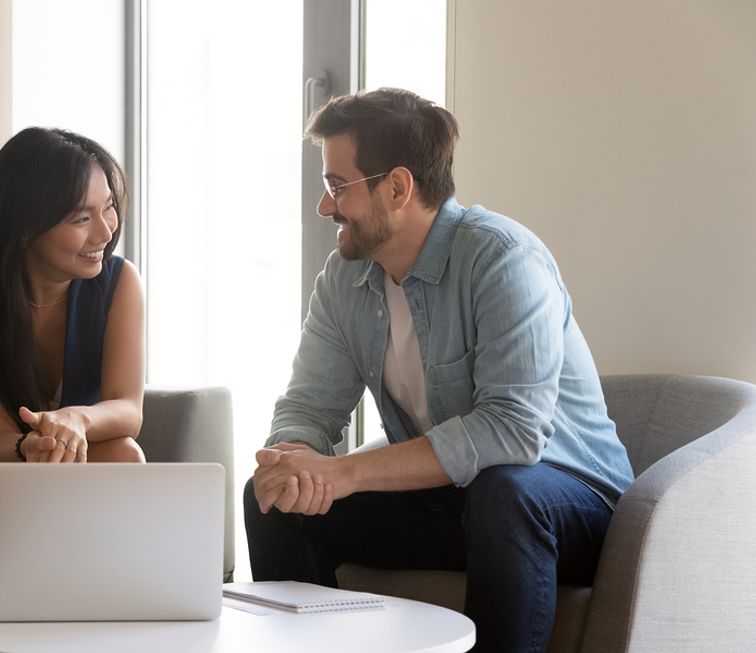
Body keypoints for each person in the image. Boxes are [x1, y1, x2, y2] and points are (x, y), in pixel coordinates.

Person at [244, 88, 634, 653]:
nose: (324, 206)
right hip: (456, 499)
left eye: (337, 186)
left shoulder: (503, 258)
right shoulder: (343, 279)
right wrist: (296, 459)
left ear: (398, 187)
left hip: (569, 501)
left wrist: (346, 472)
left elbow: (511, 431)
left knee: (506, 493)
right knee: (272, 496)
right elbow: (308, 406)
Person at [0, 127, 145, 550]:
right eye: (81, 218)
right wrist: (31, 446)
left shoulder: (121, 281)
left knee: (125, 453)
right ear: (23, 228)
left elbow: (128, 409)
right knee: (28, 508)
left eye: (108, 207)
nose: (106, 232)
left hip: (65, 470)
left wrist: (78, 420)